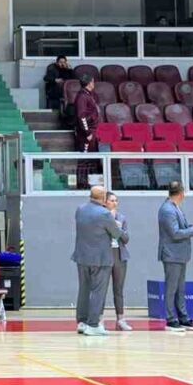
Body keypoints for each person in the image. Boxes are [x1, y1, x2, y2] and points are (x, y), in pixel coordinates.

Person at [157, 180, 193, 333]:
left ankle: (183, 317)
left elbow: (182, 227)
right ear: (181, 193)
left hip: (179, 254)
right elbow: (175, 233)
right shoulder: (168, 210)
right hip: (172, 254)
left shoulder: (175, 207)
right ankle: (171, 319)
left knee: (180, 288)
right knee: (172, 287)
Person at [72, 186, 122, 337]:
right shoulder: (104, 213)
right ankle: (93, 324)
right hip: (100, 259)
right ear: (103, 198)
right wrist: (117, 225)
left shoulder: (80, 209)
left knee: (84, 290)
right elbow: (116, 234)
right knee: (98, 292)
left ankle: (81, 322)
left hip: (82, 256)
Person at [105, 191, 132, 332]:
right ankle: (98, 319)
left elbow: (126, 239)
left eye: (116, 200)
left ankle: (120, 319)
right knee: (101, 289)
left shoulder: (122, 218)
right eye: (111, 200)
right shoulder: (101, 217)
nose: (114, 203)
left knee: (118, 289)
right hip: (105, 254)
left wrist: (118, 229)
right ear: (105, 202)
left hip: (119, 255)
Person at [73, 75, 99, 152]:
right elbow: (81, 116)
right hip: (86, 133)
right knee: (86, 156)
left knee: (92, 155)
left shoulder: (89, 94)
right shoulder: (82, 96)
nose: (94, 83)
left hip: (91, 130)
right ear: (89, 83)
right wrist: (87, 133)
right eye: (93, 82)